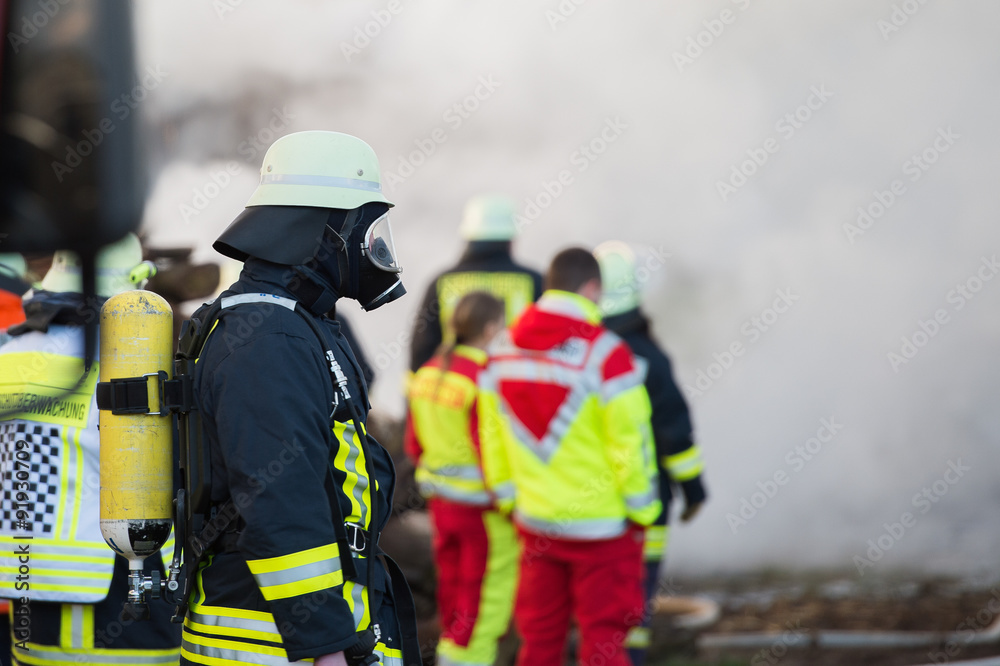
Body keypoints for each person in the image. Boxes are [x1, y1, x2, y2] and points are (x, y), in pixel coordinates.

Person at [183, 130, 417, 666]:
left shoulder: (293, 323)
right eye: (364, 227)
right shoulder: (267, 338)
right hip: (273, 646)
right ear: (324, 230)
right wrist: (326, 647)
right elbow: (279, 499)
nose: (373, 247)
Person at [0, 234, 181, 665]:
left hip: (27, 588)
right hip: (122, 591)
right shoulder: (126, 360)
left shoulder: (10, 350)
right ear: (136, 284)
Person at [478, 247, 661, 666]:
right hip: (603, 530)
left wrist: (509, 499)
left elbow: (491, 439)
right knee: (604, 645)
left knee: (539, 642)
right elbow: (630, 444)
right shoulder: (608, 355)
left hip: (536, 522)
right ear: (592, 288)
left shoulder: (500, 350)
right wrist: (642, 510)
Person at [594, 242, 708, 665]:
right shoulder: (650, 359)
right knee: (632, 610)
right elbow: (674, 434)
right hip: (645, 507)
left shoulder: (579, 355)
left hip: (584, 506)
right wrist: (694, 492)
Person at [404, 292, 517, 666]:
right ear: (490, 327)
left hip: (441, 504)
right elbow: (492, 448)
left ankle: (450, 653)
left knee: (452, 588)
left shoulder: (426, 374)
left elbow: (414, 445)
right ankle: (464, 658)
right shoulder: (484, 377)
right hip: (483, 510)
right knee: (484, 597)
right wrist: (511, 500)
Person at [408, 195, 542, 374]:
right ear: (511, 239)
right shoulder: (535, 281)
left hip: (457, 393)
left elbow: (421, 351)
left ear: (467, 236)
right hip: (514, 393)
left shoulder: (441, 282)